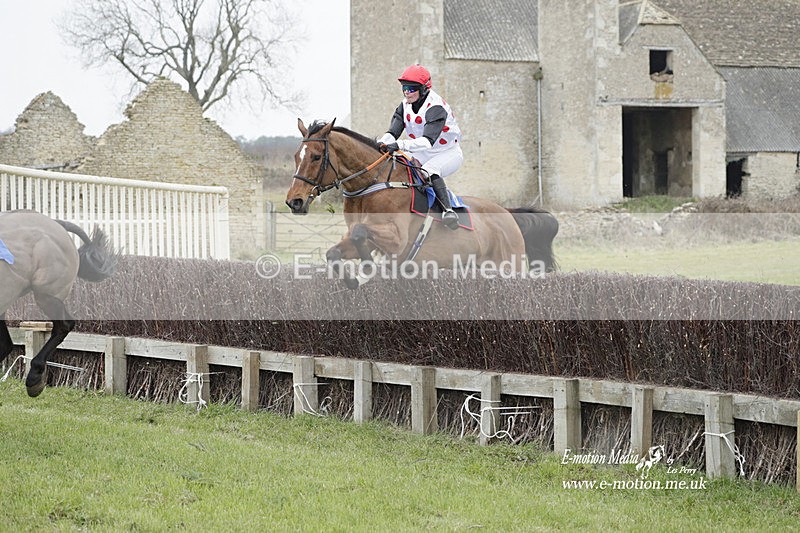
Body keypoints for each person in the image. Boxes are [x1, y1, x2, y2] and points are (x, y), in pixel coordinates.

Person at [378, 64, 463, 229]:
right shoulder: (404, 106)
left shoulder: (436, 107)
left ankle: (448, 210)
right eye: (404, 88)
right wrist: (380, 143)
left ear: (423, 89)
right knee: (403, 167)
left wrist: (398, 144)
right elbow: (392, 133)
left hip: (447, 153)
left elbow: (426, 141)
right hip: (424, 151)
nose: (406, 92)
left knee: (430, 170)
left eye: (411, 89)